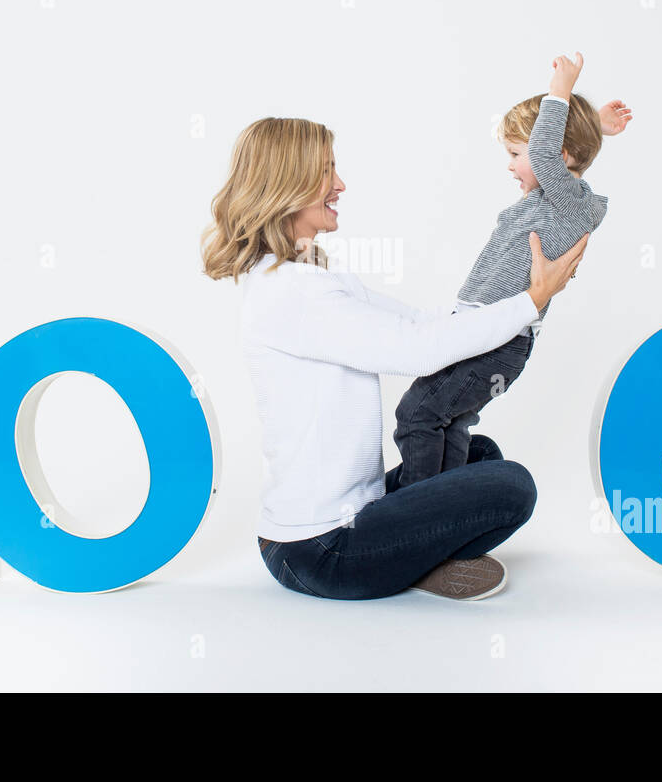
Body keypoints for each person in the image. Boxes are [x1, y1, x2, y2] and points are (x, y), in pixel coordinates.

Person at [200, 114, 588, 600]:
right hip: (320, 549)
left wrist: (518, 299)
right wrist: (530, 300)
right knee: (512, 485)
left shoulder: (312, 275)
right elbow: (418, 352)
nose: (339, 184)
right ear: (288, 184)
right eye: (326, 172)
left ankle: (416, 556)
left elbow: (420, 323)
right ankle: (421, 560)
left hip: (353, 515)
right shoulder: (291, 291)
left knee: (479, 453)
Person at [393, 53, 632, 486]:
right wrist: (591, 127)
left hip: (498, 338)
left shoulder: (570, 203)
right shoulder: (559, 198)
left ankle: (416, 514)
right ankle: (442, 518)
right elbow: (557, 151)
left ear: (552, 156)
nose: (510, 164)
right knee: (445, 421)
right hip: (481, 328)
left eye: (515, 153)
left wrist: (561, 88)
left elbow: (547, 153)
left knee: (417, 414)